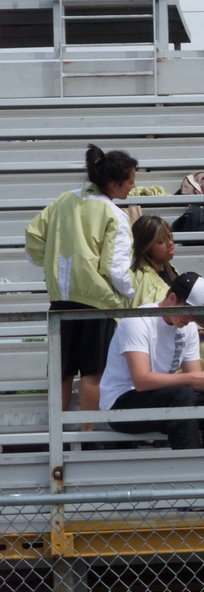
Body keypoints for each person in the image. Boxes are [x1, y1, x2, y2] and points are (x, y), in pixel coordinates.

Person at [26, 144, 137, 416]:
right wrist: (130, 292)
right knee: (92, 374)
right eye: (131, 181)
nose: (133, 187)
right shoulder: (115, 214)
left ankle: (57, 437)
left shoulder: (63, 200)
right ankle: (87, 437)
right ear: (113, 183)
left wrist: (50, 262)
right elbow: (115, 268)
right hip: (97, 304)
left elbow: (33, 235)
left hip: (60, 301)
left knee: (61, 374)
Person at [99, 272, 204, 449]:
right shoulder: (137, 321)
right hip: (121, 403)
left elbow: (195, 378)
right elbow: (141, 381)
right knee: (182, 396)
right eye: (189, 312)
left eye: (195, 315)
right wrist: (197, 379)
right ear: (172, 298)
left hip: (164, 397)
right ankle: (191, 466)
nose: (191, 320)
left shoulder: (187, 327)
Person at [129, 215, 180, 305]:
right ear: (146, 247)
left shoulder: (170, 269)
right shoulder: (144, 281)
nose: (170, 243)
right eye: (161, 241)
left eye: (170, 236)